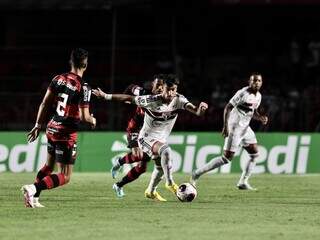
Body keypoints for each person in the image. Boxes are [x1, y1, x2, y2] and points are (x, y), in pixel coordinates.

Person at [93, 74, 208, 197]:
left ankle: (150, 191)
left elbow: (196, 111)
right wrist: (106, 96)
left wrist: (201, 109)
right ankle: (169, 182)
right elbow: (128, 96)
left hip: (160, 139)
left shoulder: (179, 100)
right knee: (165, 151)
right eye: (167, 89)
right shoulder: (150, 99)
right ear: (162, 87)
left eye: (173, 90)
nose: (170, 93)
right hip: (144, 137)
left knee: (156, 167)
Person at [21, 48, 96, 208]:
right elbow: (84, 117)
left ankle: (33, 198)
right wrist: (93, 119)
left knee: (49, 166)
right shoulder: (84, 87)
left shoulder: (58, 78)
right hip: (66, 133)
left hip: (52, 127)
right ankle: (33, 188)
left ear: (71, 62)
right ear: (85, 64)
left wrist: (37, 125)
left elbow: (44, 103)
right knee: (65, 176)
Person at [191, 73, 268, 190]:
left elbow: (253, 112)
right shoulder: (242, 93)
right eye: (254, 81)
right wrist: (225, 127)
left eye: (259, 81)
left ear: (261, 82)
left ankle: (243, 182)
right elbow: (228, 107)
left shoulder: (259, 96)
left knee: (255, 154)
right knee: (226, 159)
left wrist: (260, 117)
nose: (256, 83)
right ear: (249, 82)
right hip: (234, 128)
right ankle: (197, 173)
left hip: (246, 129)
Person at [111, 75, 167, 201]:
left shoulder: (163, 99)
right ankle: (119, 163)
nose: (159, 88)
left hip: (148, 133)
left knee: (142, 168)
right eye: (157, 85)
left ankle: (118, 185)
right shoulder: (143, 92)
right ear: (153, 84)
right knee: (140, 154)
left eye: (162, 86)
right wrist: (126, 99)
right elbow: (130, 88)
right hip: (135, 129)